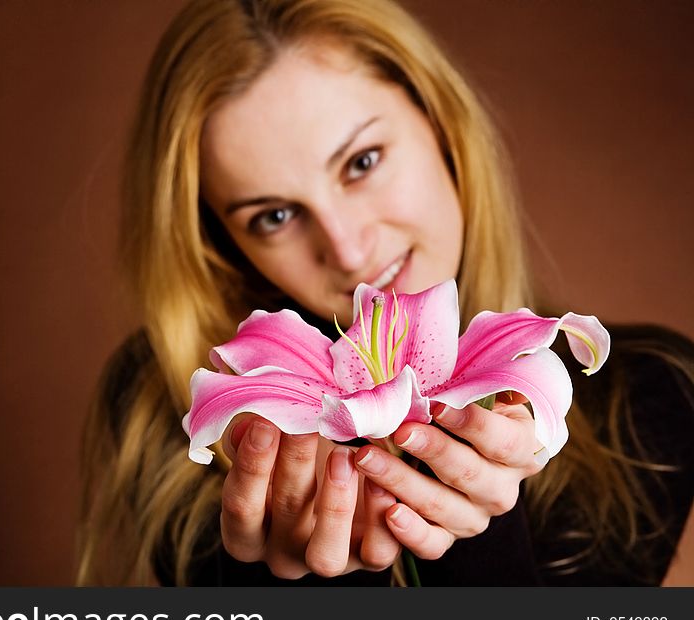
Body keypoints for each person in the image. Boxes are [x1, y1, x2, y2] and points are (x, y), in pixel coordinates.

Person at [75, 0, 694, 586]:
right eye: (273, 216)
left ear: (442, 122)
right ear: (225, 243)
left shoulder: (649, 398)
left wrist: (474, 526)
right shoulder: (162, 410)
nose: (347, 250)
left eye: (363, 161)